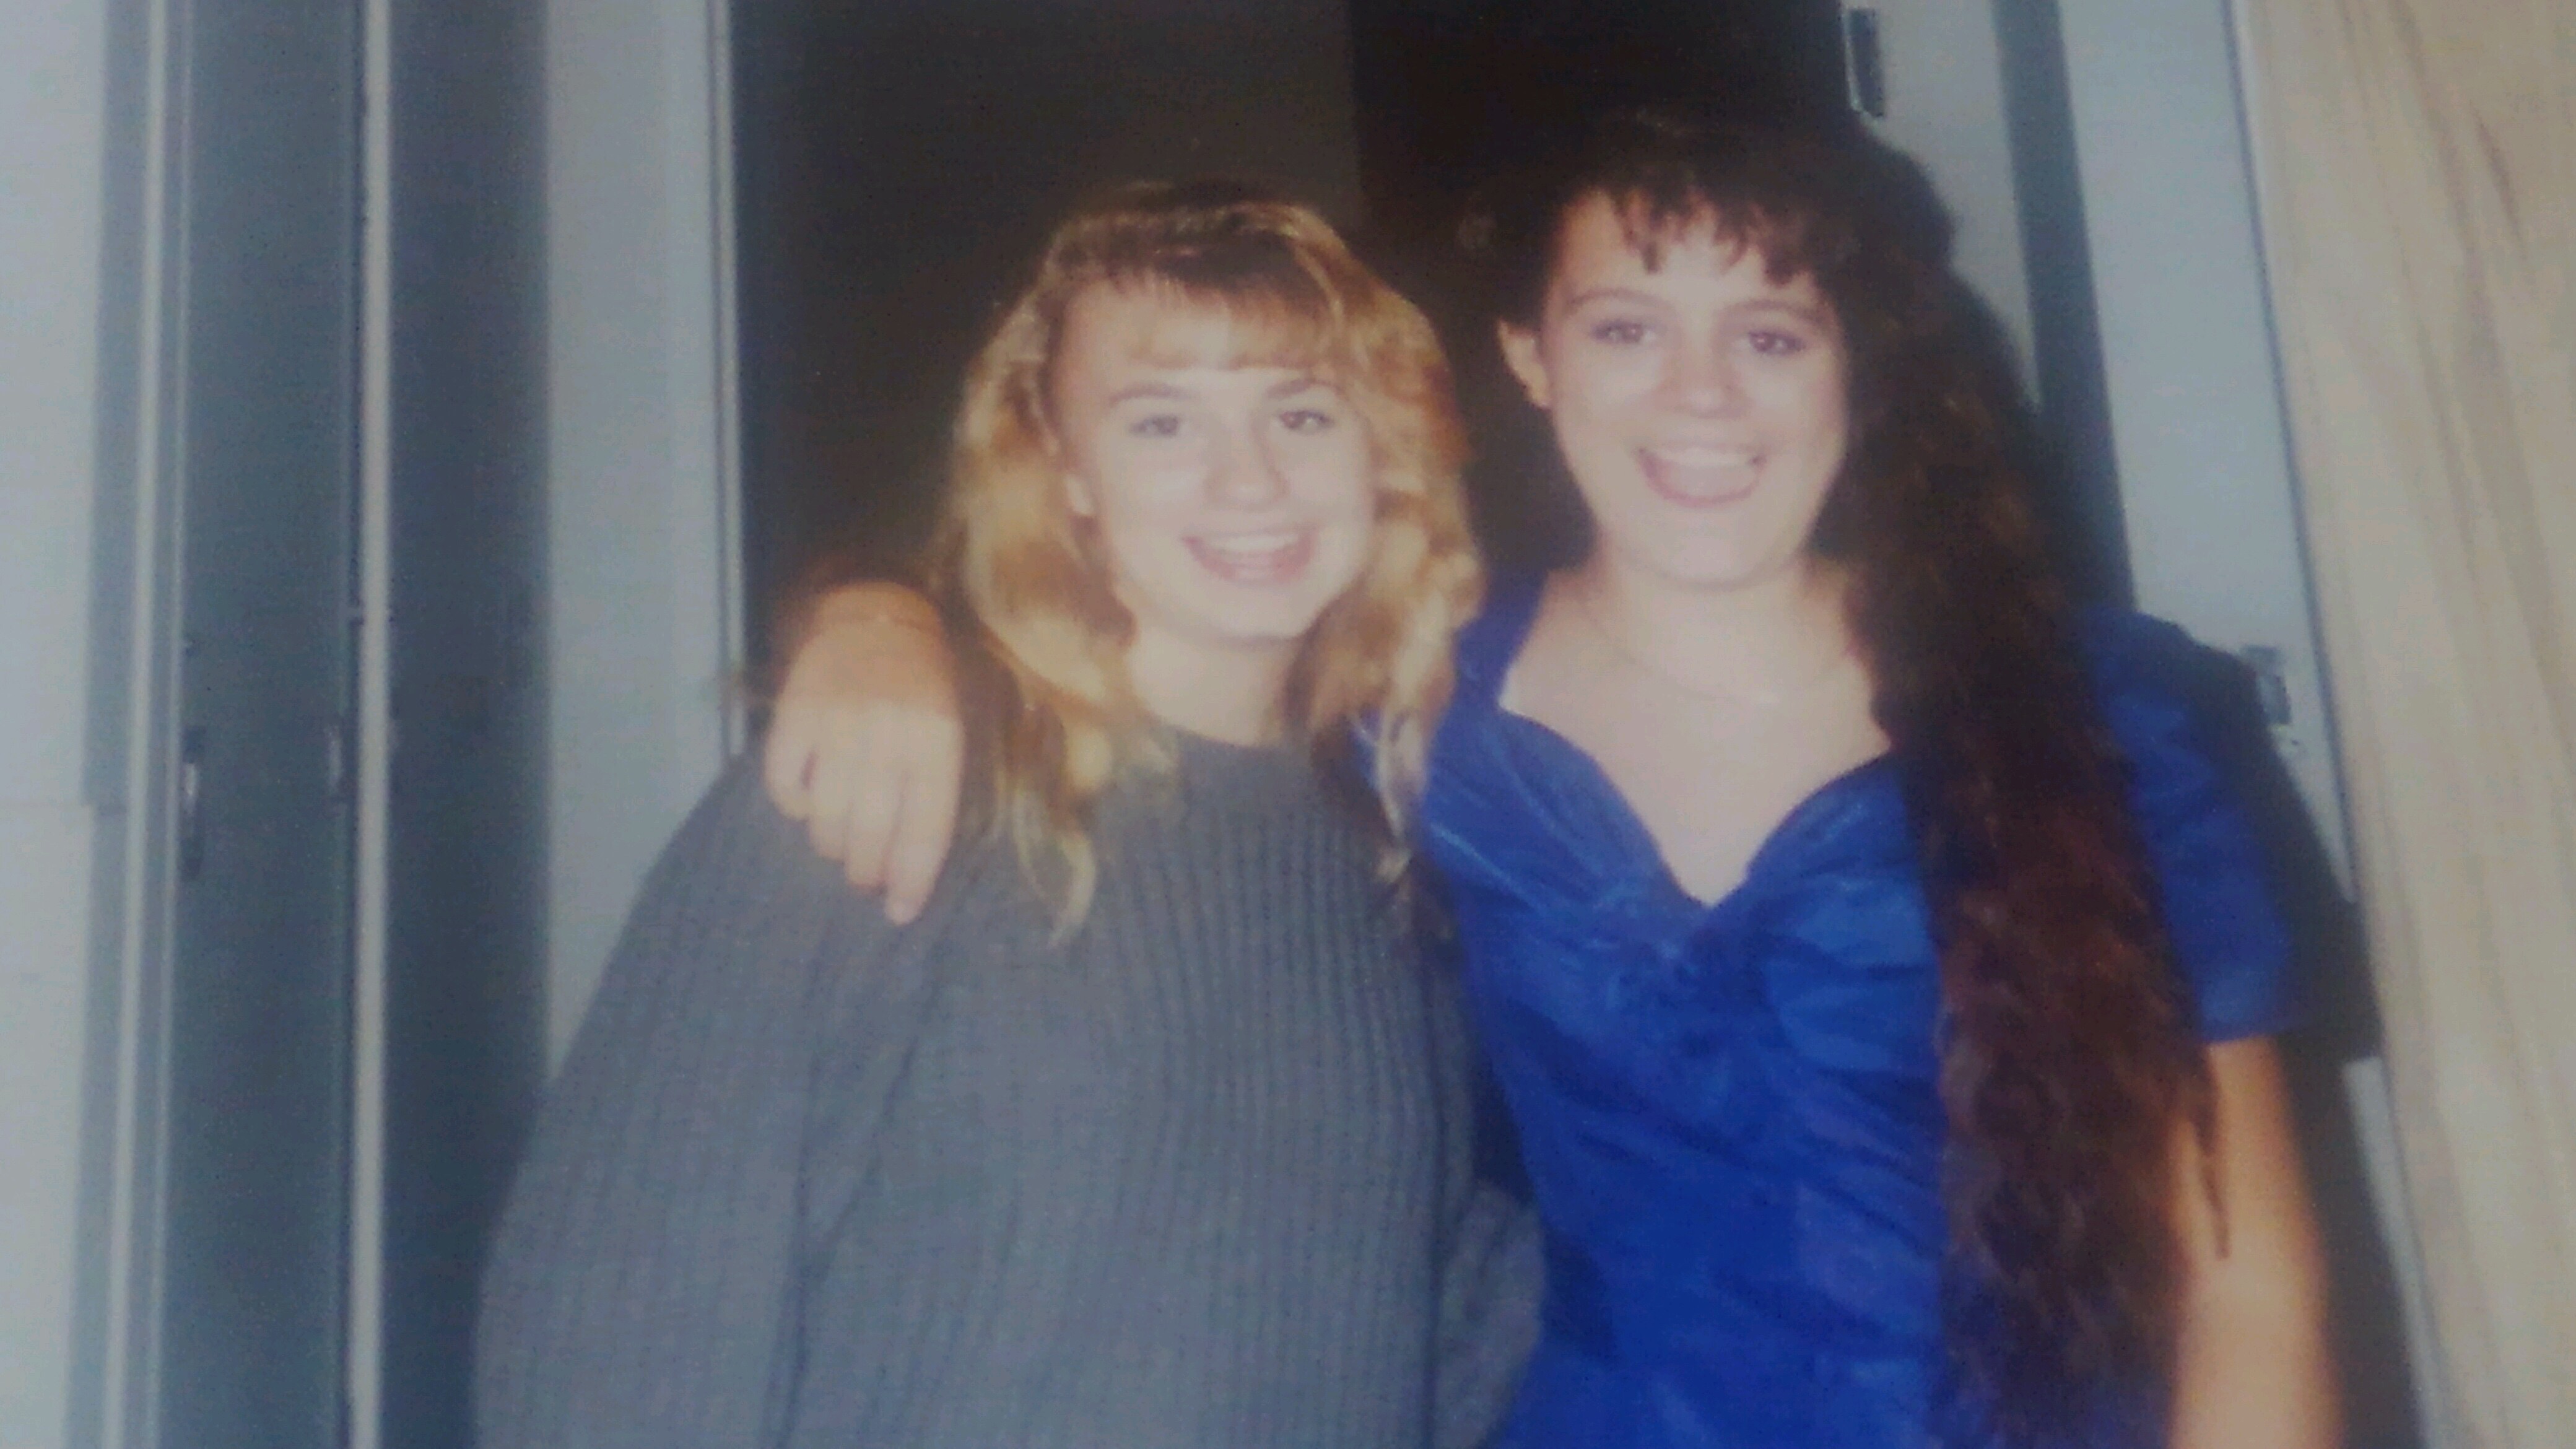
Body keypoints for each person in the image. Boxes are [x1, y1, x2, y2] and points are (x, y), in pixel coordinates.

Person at [762, 112, 2340, 1448]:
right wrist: (870, 614)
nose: (1700, 394)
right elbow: (1109, 623)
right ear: (1528, 356)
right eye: (1626, 328)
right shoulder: (1407, 707)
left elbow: (2247, 1282)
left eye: (1771, 334)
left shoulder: (2095, 720)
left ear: (1859, 371)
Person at [474, 180, 1540, 1449]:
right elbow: (617, 1317)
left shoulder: (1389, 856)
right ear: (1065, 471)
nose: (1249, 479)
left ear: (1381, 452)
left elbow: (1423, 1314)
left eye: (1302, 413)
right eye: (1161, 422)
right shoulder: (892, 773)